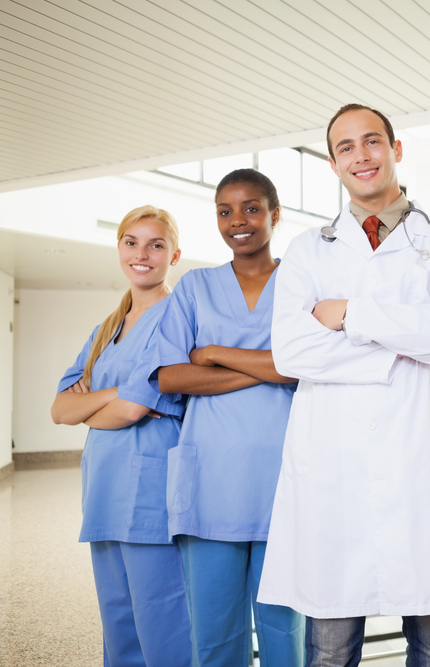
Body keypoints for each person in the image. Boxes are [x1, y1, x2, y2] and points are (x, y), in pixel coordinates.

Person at [257, 103, 430, 667]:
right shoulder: (309, 251)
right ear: (333, 163)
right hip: (336, 466)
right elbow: (293, 351)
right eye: (346, 147)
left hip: (420, 455)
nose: (362, 155)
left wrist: (350, 314)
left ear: (396, 150)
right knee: (329, 648)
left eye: (372, 141)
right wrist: (404, 340)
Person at [151, 169, 304, 667]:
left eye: (252, 208)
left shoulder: (301, 283)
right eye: (225, 211)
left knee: (286, 633)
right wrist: (270, 368)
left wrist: (215, 352)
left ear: (275, 215)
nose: (238, 221)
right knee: (214, 639)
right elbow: (170, 377)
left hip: (285, 483)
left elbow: (309, 367)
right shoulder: (195, 286)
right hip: (210, 485)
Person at [51, 205, 192, 666]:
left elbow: (133, 410)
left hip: (151, 493)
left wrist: (96, 402)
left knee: (163, 621)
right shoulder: (106, 329)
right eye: (131, 242)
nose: (142, 254)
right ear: (119, 248)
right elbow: (60, 409)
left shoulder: (176, 317)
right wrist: (115, 395)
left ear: (174, 255)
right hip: (105, 492)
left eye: (156, 244)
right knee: (119, 625)